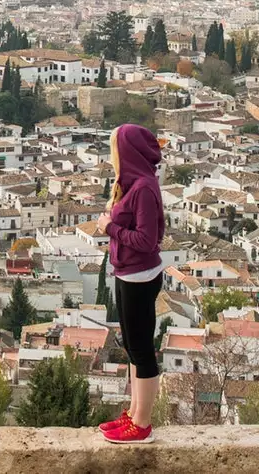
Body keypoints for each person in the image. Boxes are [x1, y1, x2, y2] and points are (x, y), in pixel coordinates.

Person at [97, 123, 166, 444]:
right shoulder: (133, 184)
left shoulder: (143, 188)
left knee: (142, 350)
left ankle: (143, 424)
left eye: (114, 149)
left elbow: (147, 239)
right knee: (132, 347)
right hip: (127, 273)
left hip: (140, 276)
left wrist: (110, 227)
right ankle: (134, 414)